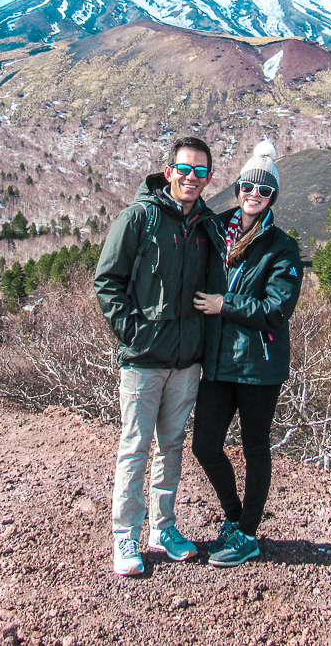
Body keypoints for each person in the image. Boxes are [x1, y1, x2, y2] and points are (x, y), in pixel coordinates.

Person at [94, 136, 224, 576]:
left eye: (201, 172)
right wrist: (134, 334)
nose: (192, 178)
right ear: (168, 171)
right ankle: (125, 536)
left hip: (186, 362)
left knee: (171, 447)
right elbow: (107, 282)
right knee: (134, 447)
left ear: (208, 178)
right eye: (185, 169)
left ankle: (162, 528)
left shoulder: (207, 226)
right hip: (144, 361)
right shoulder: (138, 219)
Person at [192, 140, 303, 567]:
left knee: (255, 447)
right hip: (218, 362)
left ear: (273, 196)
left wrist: (225, 305)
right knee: (205, 445)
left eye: (263, 190)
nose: (253, 195)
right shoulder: (217, 229)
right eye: (247, 187)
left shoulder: (282, 248)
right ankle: (235, 519)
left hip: (259, 365)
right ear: (237, 188)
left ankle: (248, 534)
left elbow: (277, 311)